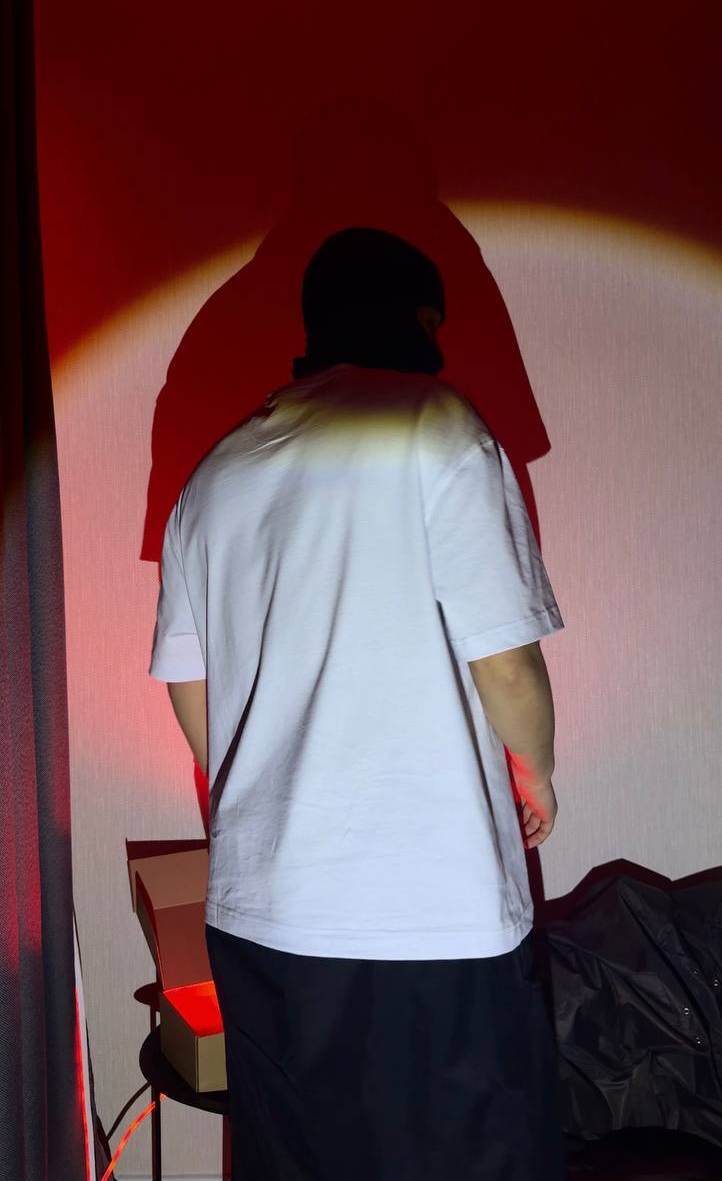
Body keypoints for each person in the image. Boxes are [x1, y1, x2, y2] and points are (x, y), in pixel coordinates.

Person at [149, 227, 566, 1180]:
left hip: (261, 917)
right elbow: (506, 663)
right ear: (423, 319)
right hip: (424, 914)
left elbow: (188, 684)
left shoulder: (217, 471)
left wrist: (256, 805)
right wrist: (536, 771)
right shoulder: (433, 424)